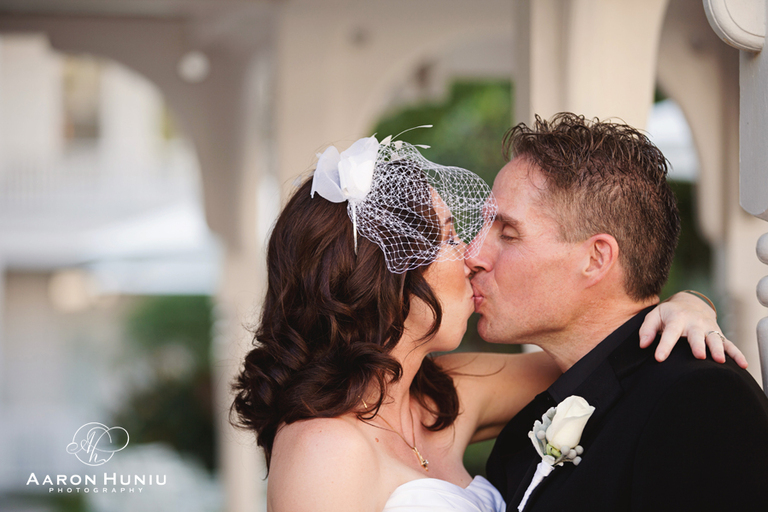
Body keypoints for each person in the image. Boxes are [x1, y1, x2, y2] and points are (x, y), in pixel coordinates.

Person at [231, 131, 741, 512]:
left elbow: (605, 355)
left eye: (505, 232)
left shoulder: (445, 393)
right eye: (452, 236)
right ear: (386, 275)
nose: (472, 255)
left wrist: (689, 305)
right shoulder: (323, 448)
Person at [468, 113, 768, 511]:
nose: (473, 256)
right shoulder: (530, 424)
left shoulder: (701, 398)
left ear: (596, 259)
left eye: (507, 233)